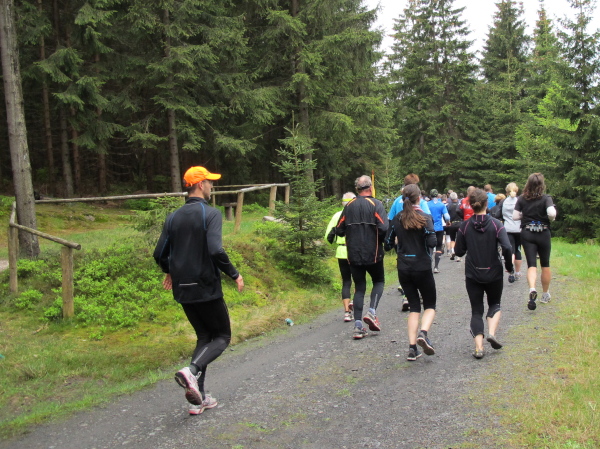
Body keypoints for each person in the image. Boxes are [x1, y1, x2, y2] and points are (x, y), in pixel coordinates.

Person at [153, 166, 245, 415]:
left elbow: (159, 253)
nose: (211, 186)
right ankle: (191, 371)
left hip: (182, 288)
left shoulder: (173, 217)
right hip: (205, 285)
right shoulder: (210, 214)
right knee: (222, 337)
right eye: (209, 182)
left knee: (204, 337)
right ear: (200, 185)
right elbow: (215, 250)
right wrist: (234, 274)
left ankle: (199, 398)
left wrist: (169, 271)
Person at [455, 189, 513, 359]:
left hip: (473, 273)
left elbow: (458, 252)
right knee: (494, 303)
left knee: (476, 310)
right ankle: (492, 333)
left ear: (470, 205)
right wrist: (508, 266)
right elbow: (507, 247)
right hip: (493, 271)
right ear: (487, 204)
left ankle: (479, 348)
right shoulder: (496, 224)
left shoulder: (465, 226)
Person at [385, 184, 437, 361]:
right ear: (419, 198)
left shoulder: (397, 218)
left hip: (404, 267)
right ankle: (423, 333)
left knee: (414, 307)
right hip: (422, 266)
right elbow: (432, 242)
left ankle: (412, 348)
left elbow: (387, 244)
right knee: (430, 305)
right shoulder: (425, 218)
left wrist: (399, 242)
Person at [336, 175, 388, 339]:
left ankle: (358, 326)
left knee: (359, 287)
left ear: (357, 189)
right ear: (370, 188)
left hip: (353, 254)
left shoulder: (349, 206)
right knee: (379, 281)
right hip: (373, 253)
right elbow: (384, 227)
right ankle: (372, 311)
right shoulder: (376, 204)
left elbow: (339, 229)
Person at [513, 173, 557, 310]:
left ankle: (532, 288)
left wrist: (525, 215)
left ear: (528, 184)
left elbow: (515, 216)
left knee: (531, 264)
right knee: (545, 264)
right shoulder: (546, 198)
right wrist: (551, 219)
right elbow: (552, 213)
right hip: (543, 232)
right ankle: (545, 294)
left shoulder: (522, 198)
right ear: (542, 185)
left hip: (527, 232)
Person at [387, 174, 430, 311]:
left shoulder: (397, 201)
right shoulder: (420, 200)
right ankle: (420, 294)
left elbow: (390, 219)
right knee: (420, 267)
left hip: (401, 240)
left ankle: (407, 296)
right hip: (418, 241)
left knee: (404, 267)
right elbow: (428, 218)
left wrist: (394, 234)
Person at [326, 192, 356, 322]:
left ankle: (346, 312)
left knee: (346, 281)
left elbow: (327, 237)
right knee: (359, 280)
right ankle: (355, 303)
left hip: (341, 251)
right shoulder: (357, 214)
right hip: (356, 251)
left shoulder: (337, 215)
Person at [502, 183, 522, 282]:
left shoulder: (504, 201)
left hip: (508, 228)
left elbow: (500, 214)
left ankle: (511, 272)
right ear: (517, 190)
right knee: (518, 250)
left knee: (511, 250)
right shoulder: (520, 201)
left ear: (507, 191)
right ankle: (517, 273)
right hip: (518, 229)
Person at [428, 189, 450, 273]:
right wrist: (448, 222)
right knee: (438, 247)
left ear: (430, 196)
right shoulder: (441, 205)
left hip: (429, 228)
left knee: (429, 247)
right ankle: (436, 267)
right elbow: (447, 217)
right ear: (437, 196)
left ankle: (428, 267)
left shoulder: (427, 204)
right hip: (439, 228)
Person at [445, 192, 461, 259]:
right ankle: (458, 256)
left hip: (452, 223)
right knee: (459, 239)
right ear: (457, 197)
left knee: (452, 239)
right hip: (459, 223)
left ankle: (452, 251)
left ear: (450, 198)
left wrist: (447, 222)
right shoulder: (460, 205)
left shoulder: (448, 206)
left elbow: (446, 215)